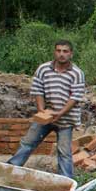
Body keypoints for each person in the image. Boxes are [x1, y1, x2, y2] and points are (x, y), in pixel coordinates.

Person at [8, 40, 85, 179]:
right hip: (46, 115)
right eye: (59, 50)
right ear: (54, 52)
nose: (61, 54)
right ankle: (9, 170)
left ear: (71, 54)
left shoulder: (77, 73)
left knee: (64, 151)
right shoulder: (43, 69)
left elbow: (76, 96)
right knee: (27, 143)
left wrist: (60, 113)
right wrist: (41, 110)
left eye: (65, 51)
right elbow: (38, 90)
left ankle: (66, 180)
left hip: (66, 120)